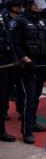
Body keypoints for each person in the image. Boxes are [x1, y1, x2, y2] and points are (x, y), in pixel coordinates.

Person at [9, 0, 46, 143]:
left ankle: (33, 123)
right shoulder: (19, 21)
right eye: (35, 3)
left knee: (36, 96)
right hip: (26, 66)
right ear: (27, 4)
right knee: (29, 98)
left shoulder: (42, 21)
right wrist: (24, 58)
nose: (39, 6)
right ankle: (26, 130)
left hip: (40, 64)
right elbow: (14, 43)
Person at [0, 11, 17, 142]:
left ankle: (1, 130)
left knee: (2, 98)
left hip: (3, 64)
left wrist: (13, 58)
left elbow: (8, 38)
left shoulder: (1, 17)